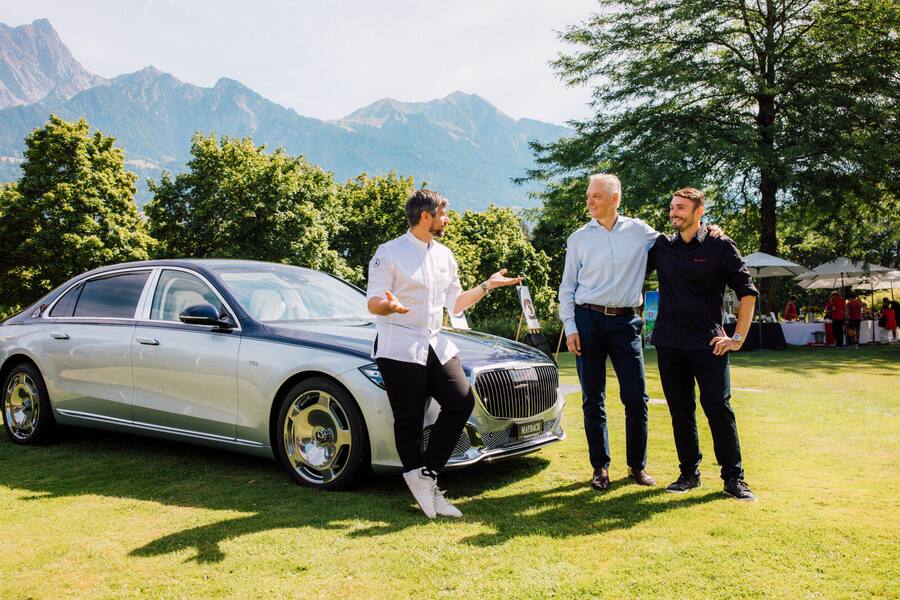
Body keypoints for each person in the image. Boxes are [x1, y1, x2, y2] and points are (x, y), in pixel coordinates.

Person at [366, 189, 522, 519]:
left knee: (460, 401)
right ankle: (424, 485)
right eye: (443, 214)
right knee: (408, 420)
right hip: (399, 347)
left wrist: (486, 286)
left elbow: (455, 304)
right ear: (426, 217)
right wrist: (388, 305)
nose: (447, 219)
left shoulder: (445, 255)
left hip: (435, 344)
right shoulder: (389, 253)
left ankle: (426, 475)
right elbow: (373, 301)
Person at [648, 187, 759, 502]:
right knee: (680, 411)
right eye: (672, 207)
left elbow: (747, 292)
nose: (674, 213)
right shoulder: (661, 248)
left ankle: (734, 479)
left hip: (709, 344)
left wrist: (736, 338)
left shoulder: (720, 246)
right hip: (669, 343)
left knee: (718, 409)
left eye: (681, 208)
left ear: (699, 212)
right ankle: (688, 474)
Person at [558, 174, 660, 491]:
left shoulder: (641, 233)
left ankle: (637, 467)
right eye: (589, 196)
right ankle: (600, 467)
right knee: (593, 398)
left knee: (636, 396)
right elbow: (567, 287)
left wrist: (707, 231)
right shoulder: (578, 239)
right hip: (587, 320)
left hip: (626, 322)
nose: (589, 201)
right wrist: (570, 326)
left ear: (615, 198)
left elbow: (676, 243)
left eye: (596, 197)